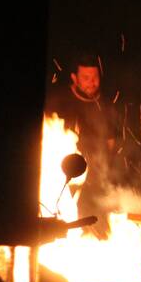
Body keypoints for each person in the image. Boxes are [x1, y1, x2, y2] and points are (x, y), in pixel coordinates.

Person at [44, 53, 118, 226]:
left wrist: (105, 171)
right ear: (74, 78)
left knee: (95, 225)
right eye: (86, 77)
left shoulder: (105, 106)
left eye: (95, 77)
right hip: (63, 178)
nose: (92, 82)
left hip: (96, 180)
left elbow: (111, 142)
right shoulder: (59, 102)